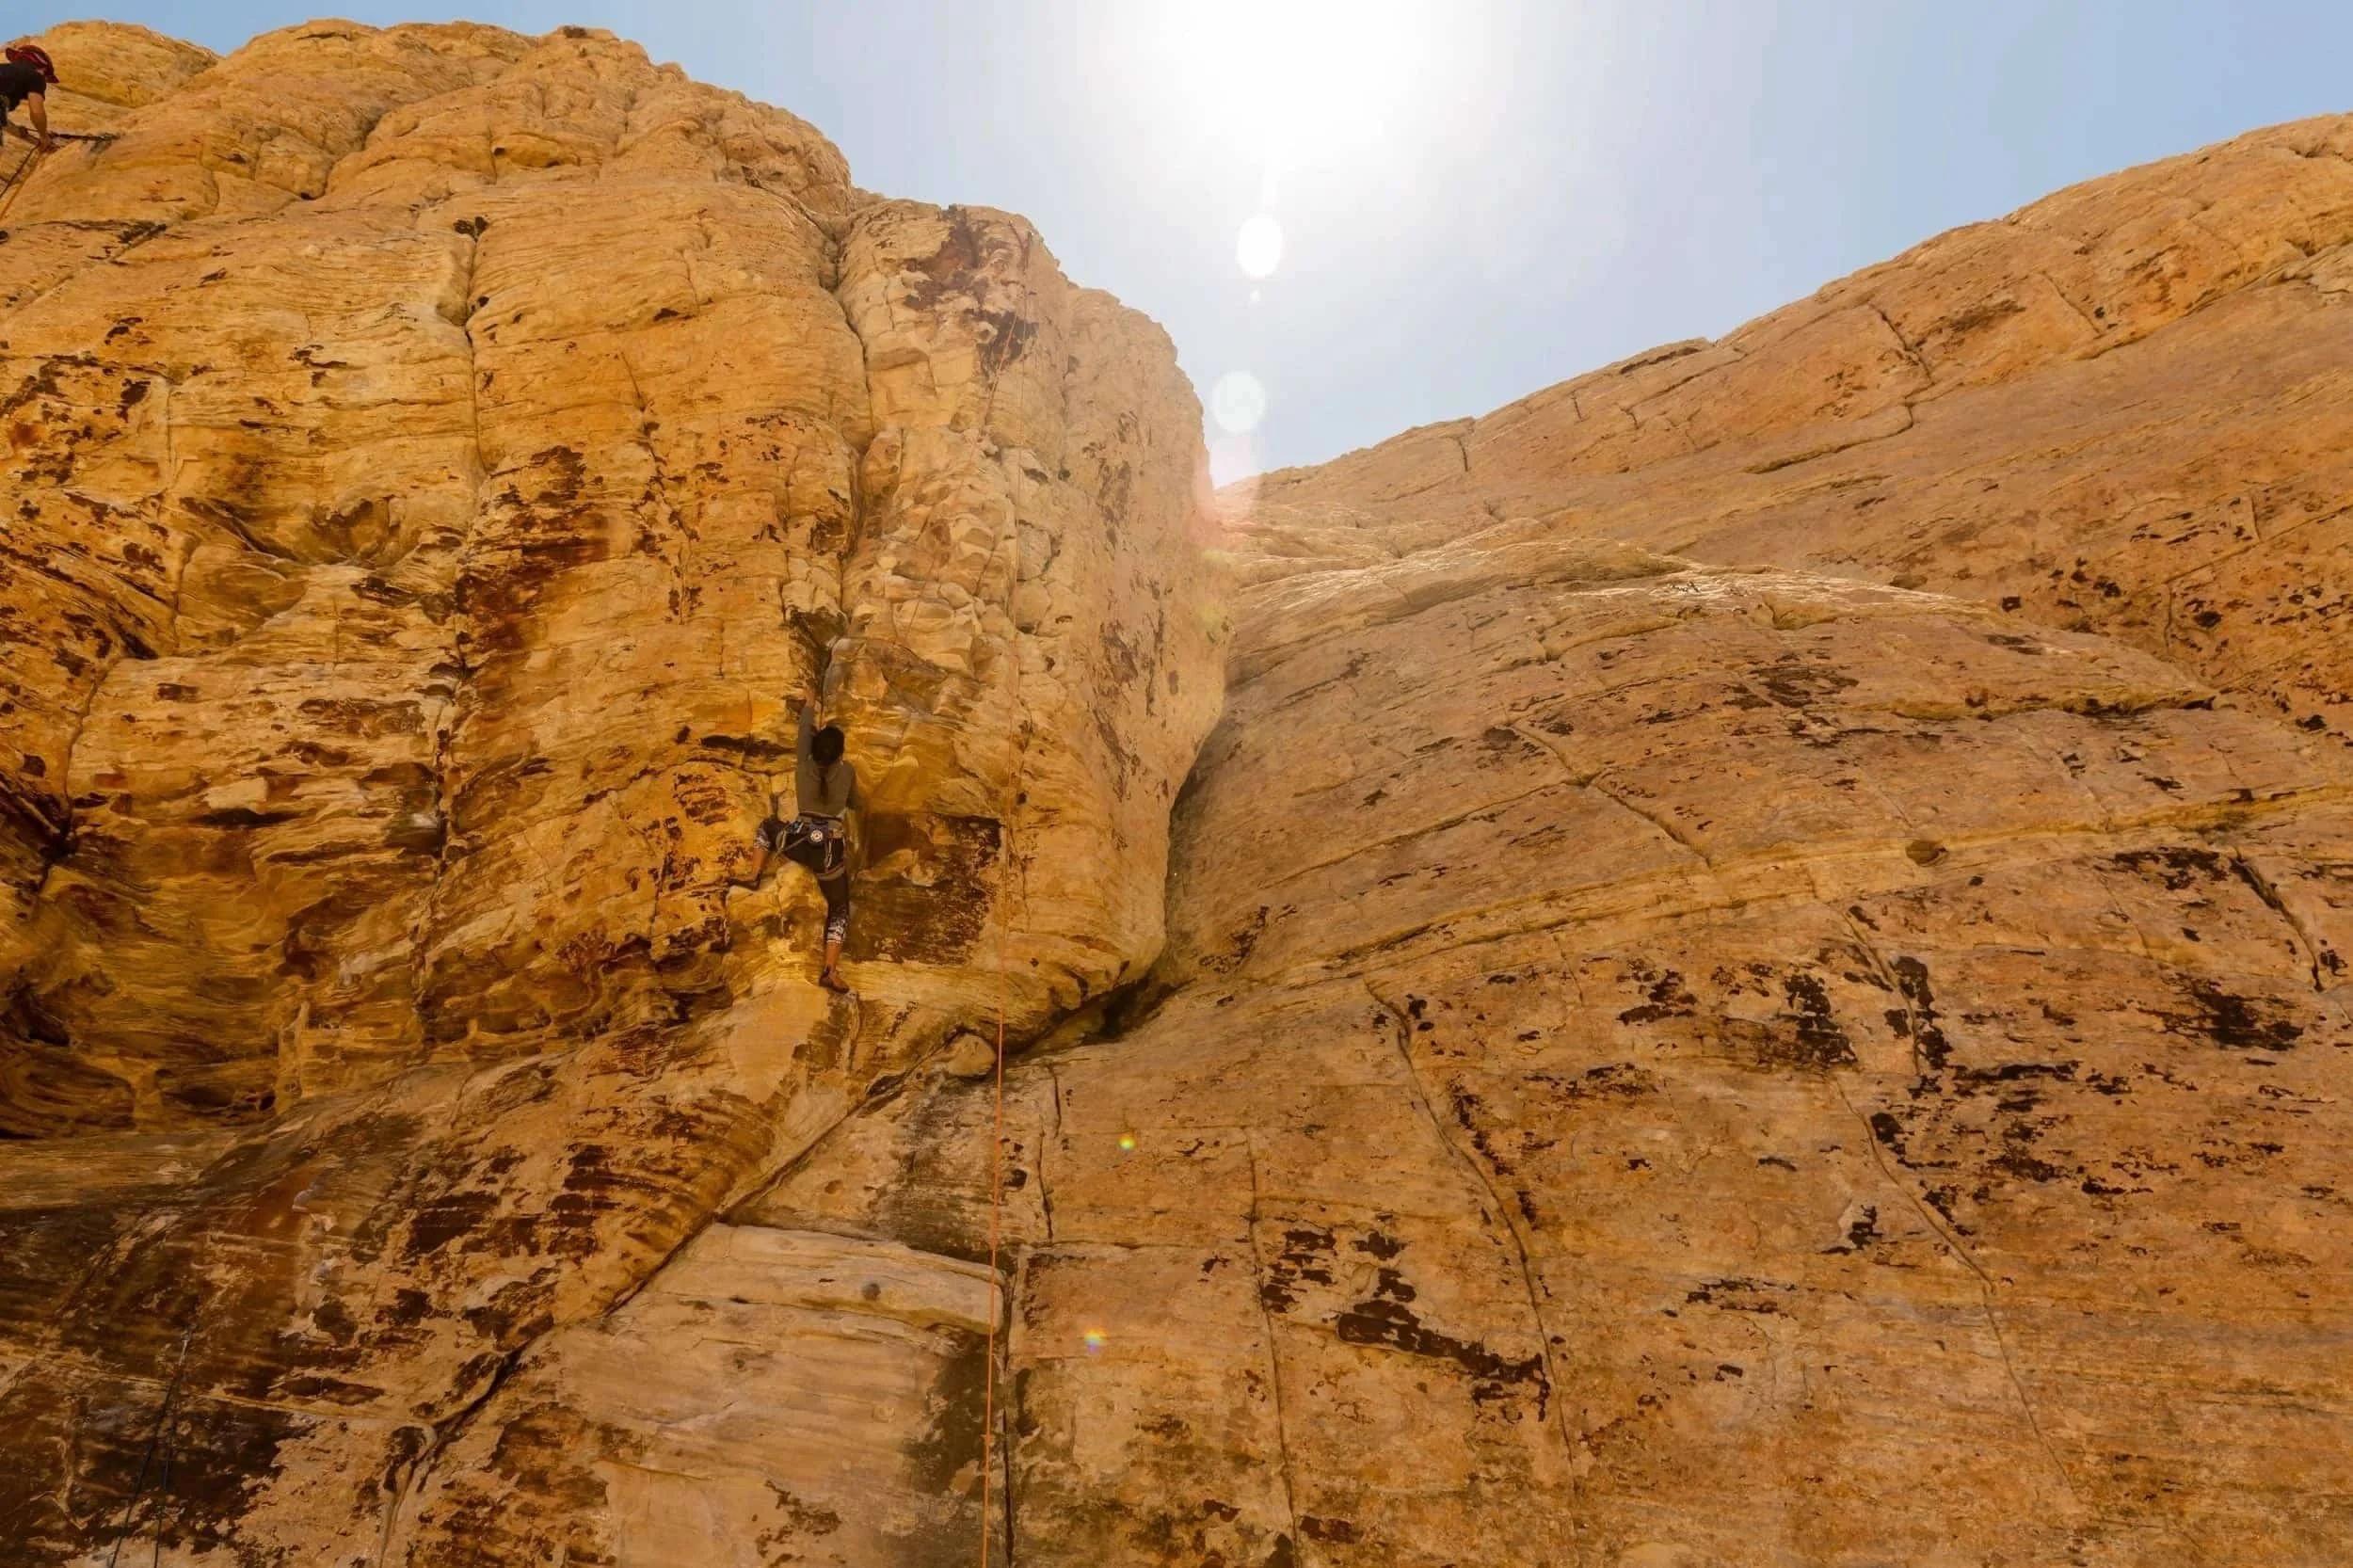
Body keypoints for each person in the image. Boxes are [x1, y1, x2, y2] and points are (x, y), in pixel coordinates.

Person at [757, 696, 861, 993]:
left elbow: (805, 731)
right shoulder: (848, 771)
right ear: (840, 753)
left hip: (797, 841)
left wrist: (810, 705)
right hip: (828, 851)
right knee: (839, 906)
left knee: (766, 827)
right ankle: (829, 970)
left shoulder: (804, 764)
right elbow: (855, 802)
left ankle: (754, 875)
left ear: (814, 751)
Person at [0, 44, 56, 153]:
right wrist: (44, 137)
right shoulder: (35, 76)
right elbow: (36, 111)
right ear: (42, 67)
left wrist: (17, 131)